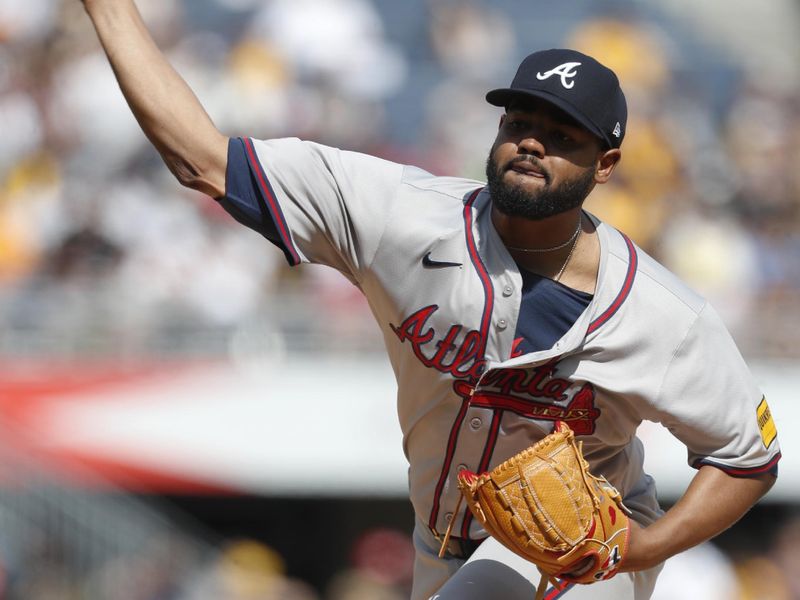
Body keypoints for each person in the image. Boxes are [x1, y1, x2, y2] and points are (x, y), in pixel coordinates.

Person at [78, 1, 781, 599]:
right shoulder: (398, 216)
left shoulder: (661, 314)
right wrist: (108, 7)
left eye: (561, 135)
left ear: (606, 165)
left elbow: (747, 458)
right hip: (441, 541)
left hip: (583, 549)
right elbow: (202, 158)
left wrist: (643, 548)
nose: (531, 142)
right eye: (519, 122)